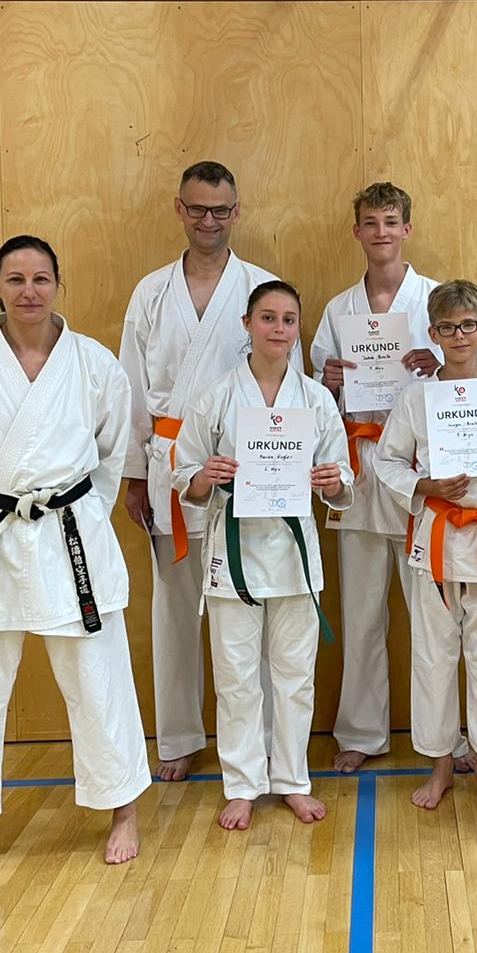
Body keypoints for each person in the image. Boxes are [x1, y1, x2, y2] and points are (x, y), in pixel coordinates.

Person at [0, 235, 151, 886]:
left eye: (41, 278)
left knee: (98, 678)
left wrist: (79, 515)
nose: (28, 291)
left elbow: (111, 455)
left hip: (68, 533)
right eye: (15, 279)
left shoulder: (94, 364)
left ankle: (123, 812)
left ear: (57, 285)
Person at [119, 161, 298, 783]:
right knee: (173, 609)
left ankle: (265, 744)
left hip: (252, 469)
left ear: (236, 212)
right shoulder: (151, 293)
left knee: (254, 603)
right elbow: (131, 389)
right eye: (197, 208)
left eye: (221, 210)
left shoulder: (261, 287)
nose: (209, 220)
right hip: (173, 460)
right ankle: (178, 736)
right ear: (179, 208)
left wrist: (285, 471)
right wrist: (134, 473)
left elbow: (289, 383)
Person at [172, 281, 354, 831]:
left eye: (288, 319)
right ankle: (243, 784)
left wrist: (331, 481)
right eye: (268, 317)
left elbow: (343, 482)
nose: (278, 328)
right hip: (234, 554)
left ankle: (293, 779)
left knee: (295, 675)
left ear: (298, 329)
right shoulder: (216, 397)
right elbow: (185, 475)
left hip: (294, 554)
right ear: (247, 325)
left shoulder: (315, 400)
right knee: (236, 677)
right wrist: (205, 476)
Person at [309, 181, 472, 773]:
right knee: (361, 613)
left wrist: (442, 361)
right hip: (358, 466)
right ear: (357, 232)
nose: (381, 232)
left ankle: (445, 737)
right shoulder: (338, 310)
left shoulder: (435, 299)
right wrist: (328, 380)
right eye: (370, 222)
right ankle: (361, 731)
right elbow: (316, 393)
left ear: (407, 228)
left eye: (391, 221)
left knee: (435, 617)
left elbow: (475, 374)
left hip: (423, 475)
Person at [372, 280, 477, 813]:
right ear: (433, 334)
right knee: (433, 656)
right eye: (447, 328)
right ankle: (441, 764)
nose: (459, 336)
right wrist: (425, 486)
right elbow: (386, 461)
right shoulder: (416, 397)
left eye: (468, 325)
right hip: (438, 540)